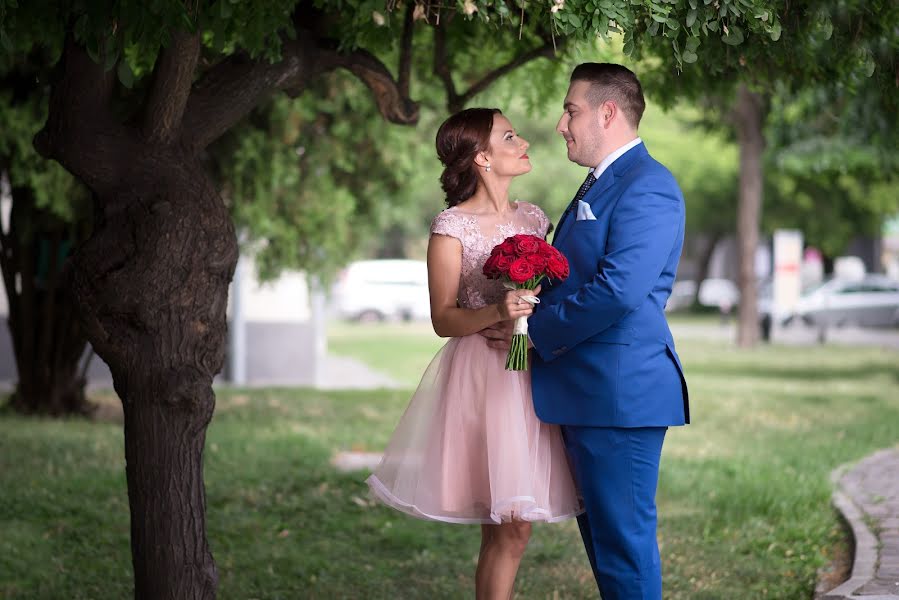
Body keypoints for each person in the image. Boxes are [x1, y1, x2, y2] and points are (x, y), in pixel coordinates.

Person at [483, 63, 690, 599]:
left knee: (622, 549)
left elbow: (620, 290)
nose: (560, 124)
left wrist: (532, 334)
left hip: (619, 395)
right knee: (604, 548)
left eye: (570, 110)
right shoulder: (599, 182)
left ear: (608, 112)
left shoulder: (649, 186)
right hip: (587, 393)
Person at [366, 107, 583, 599]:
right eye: (510, 136)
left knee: (512, 524)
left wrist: (531, 318)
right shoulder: (452, 227)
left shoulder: (535, 218)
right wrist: (497, 311)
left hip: (528, 371)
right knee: (509, 523)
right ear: (483, 157)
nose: (524, 141)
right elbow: (443, 318)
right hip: (483, 377)